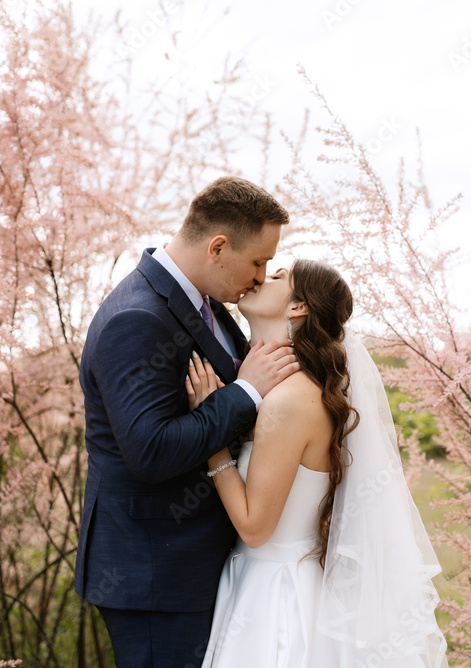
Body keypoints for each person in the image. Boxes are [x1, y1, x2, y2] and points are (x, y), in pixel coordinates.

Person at [74, 176, 300, 668]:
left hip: (198, 564)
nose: (262, 277)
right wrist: (245, 392)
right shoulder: (136, 319)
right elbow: (150, 451)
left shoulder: (207, 302)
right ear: (218, 247)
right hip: (156, 577)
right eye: (257, 261)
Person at [186, 259, 448, 667]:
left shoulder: (288, 402)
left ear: (298, 307)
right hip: (285, 580)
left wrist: (211, 436)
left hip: (275, 596)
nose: (259, 277)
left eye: (276, 277)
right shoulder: (294, 390)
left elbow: (255, 528)